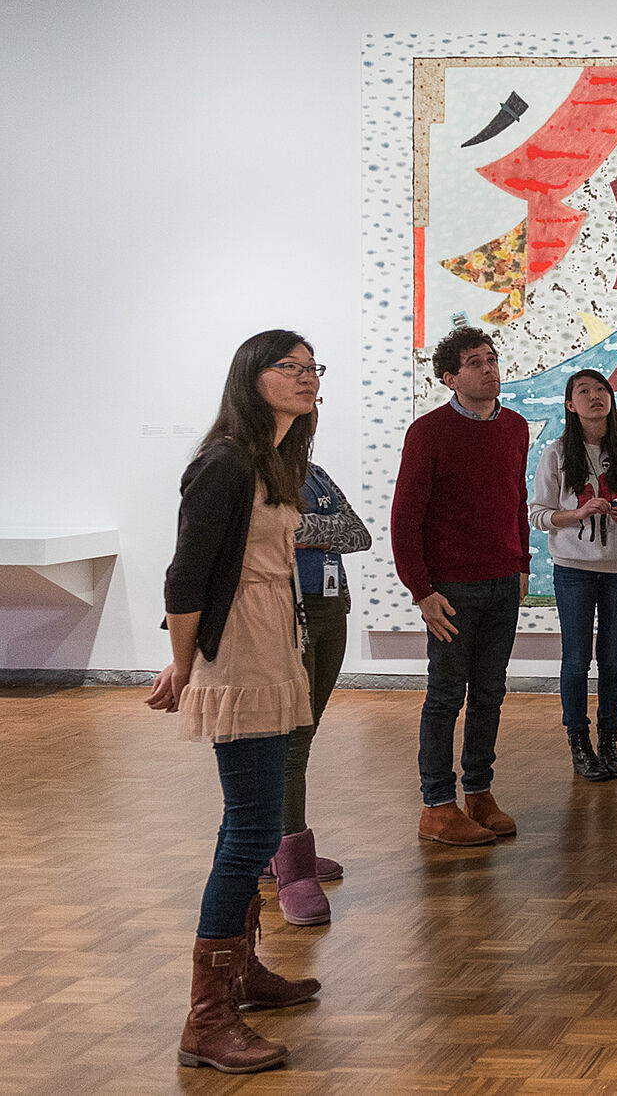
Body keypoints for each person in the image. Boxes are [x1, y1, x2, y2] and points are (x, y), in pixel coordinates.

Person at [150, 330, 322, 1074]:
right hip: (238, 655)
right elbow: (186, 577)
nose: (308, 377)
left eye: (315, 367)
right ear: (253, 377)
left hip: (271, 644)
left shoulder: (276, 460)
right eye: (292, 367)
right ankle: (206, 1019)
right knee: (252, 831)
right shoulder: (221, 463)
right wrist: (183, 666)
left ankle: (242, 974)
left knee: (249, 823)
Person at [392, 325, 530, 847]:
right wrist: (421, 590)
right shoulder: (427, 433)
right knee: (447, 694)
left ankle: (480, 793)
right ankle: (436, 804)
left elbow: (515, 500)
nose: (488, 368)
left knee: (490, 693)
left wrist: (521, 564)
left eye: (491, 358)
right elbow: (406, 518)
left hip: (501, 582)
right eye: (475, 362)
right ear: (450, 377)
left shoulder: (514, 427)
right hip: (450, 588)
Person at [531, 368, 617, 783]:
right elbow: (538, 515)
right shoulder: (556, 453)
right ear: (570, 404)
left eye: (600, 389)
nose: (594, 396)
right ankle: (579, 742)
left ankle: (609, 740)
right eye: (582, 391)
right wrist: (578, 513)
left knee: (614, 658)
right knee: (575, 659)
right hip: (574, 569)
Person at [266, 459, 370, 927]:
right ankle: (290, 865)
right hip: (284, 613)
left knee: (302, 738)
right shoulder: (253, 470)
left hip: (330, 608)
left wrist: (305, 529)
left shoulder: (315, 471)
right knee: (290, 738)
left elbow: (358, 534)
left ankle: (279, 849)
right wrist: (322, 531)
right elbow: (267, 534)